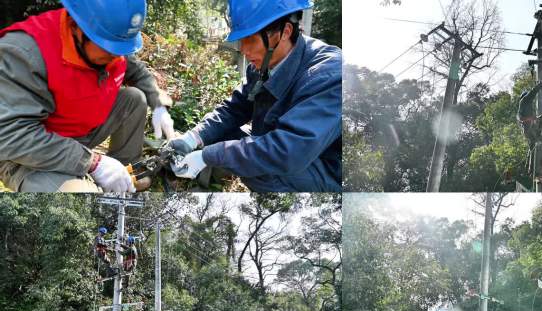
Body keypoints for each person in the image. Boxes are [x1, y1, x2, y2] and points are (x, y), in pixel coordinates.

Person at [0, 0, 174, 192]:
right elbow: (9, 135)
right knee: (84, 194)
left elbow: (137, 72)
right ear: (76, 26)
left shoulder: (109, 42)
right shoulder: (24, 53)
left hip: (76, 132)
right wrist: (92, 162)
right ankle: (93, 178)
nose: (116, 57)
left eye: (120, 49)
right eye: (110, 50)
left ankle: (122, 174)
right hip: (26, 157)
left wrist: (157, 104)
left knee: (134, 98)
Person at [168, 0, 342, 192]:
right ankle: (204, 177)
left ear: (285, 32)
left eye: (250, 39)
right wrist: (193, 138)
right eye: (241, 40)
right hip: (285, 147)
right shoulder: (263, 64)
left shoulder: (329, 75)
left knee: (262, 172)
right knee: (218, 137)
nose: (244, 49)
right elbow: (233, 110)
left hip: (324, 167)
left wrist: (206, 156)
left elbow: (289, 150)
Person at [517, 81, 542, 174]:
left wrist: (537, 118)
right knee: (540, 142)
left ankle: (529, 169)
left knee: (532, 147)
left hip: (529, 129)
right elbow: (532, 93)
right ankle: (536, 167)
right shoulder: (525, 100)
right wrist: (541, 84)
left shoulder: (524, 106)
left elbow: (529, 118)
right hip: (528, 129)